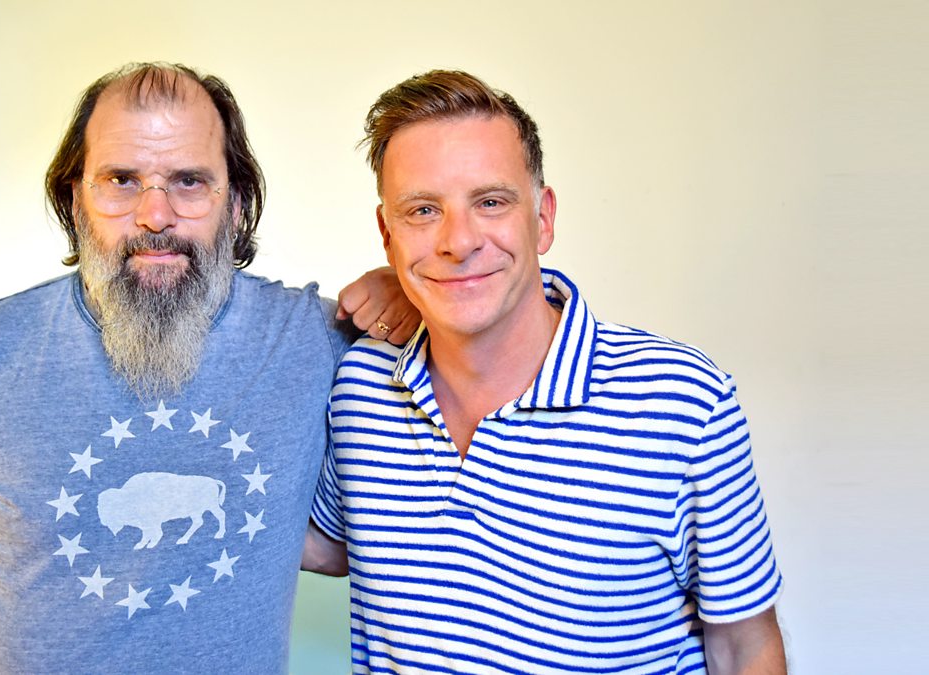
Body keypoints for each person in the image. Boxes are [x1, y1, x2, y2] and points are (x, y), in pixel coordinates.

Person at [0, 62, 418, 674]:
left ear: (235, 203)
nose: (155, 215)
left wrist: (415, 291)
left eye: (189, 181)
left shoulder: (316, 342)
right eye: (121, 180)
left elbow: (361, 539)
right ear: (75, 200)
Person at [303, 70, 786, 674]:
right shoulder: (362, 386)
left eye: (490, 202)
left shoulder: (682, 401)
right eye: (423, 211)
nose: (458, 241)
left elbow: (744, 647)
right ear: (387, 234)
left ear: (544, 217)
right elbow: (324, 544)